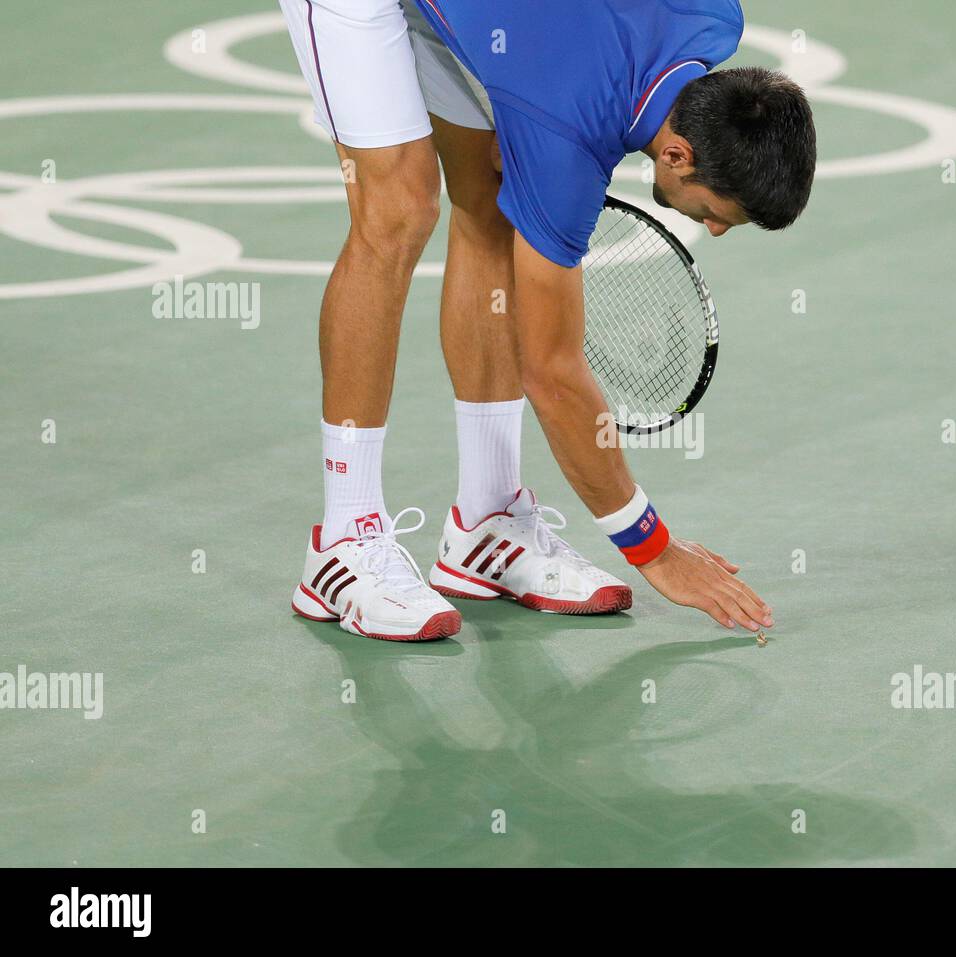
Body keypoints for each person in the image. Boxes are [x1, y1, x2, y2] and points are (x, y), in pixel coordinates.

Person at [280, 0, 816, 641]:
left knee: (489, 195)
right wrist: (654, 549)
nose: (715, 230)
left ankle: (487, 517)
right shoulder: (564, 133)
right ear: (675, 154)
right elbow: (554, 374)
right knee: (397, 209)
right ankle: (344, 541)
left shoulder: (710, 14)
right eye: (717, 211)